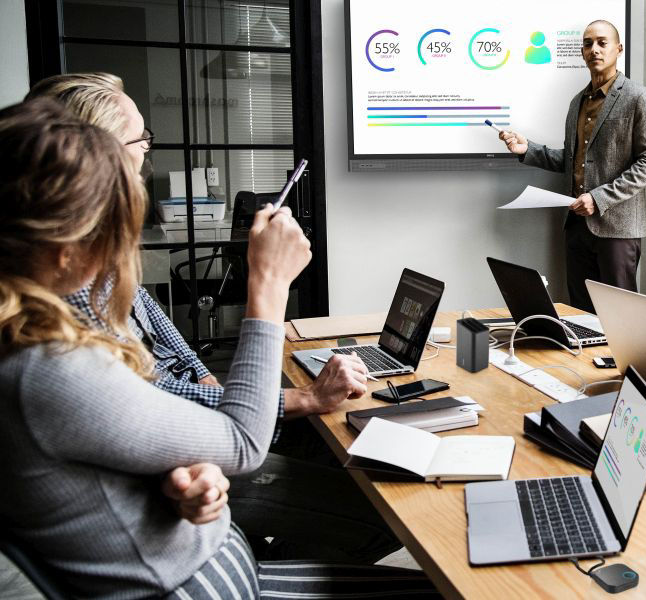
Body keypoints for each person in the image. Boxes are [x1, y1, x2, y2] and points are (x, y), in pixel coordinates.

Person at [0, 99, 437, 597]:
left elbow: (102, 456)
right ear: (66, 248)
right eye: (117, 226)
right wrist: (267, 284)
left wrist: (173, 474)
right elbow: (243, 443)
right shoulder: (47, 366)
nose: (122, 249)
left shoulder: (34, 341)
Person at [499, 20, 646, 312]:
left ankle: (622, 361)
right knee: (581, 314)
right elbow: (574, 160)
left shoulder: (639, 98)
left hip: (617, 229)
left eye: (602, 42)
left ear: (618, 49)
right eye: (588, 44)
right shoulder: (577, 103)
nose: (594, 49)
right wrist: (528, 150)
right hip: (576, 227)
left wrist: (598, 199)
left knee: (620, 314)